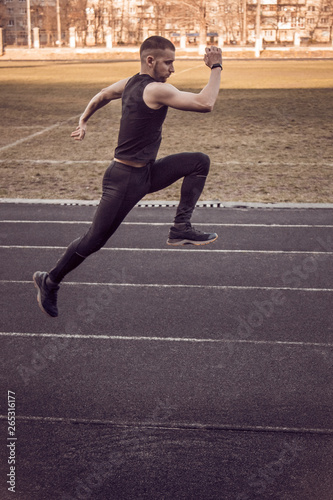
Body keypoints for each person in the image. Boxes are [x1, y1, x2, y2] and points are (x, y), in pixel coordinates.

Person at [33, 36, 223, 318]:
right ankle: (49, 281)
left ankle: (180, 228)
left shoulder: (129, 83)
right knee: (93, 241)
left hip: (145, 172)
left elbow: (102, 95)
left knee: (198, 162)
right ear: (150, 61)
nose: (172, 69)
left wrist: (83, 121)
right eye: (168, 62)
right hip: (123, 181)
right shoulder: (157, 90)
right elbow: (205, 103)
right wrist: (216, 66)